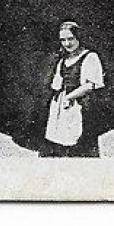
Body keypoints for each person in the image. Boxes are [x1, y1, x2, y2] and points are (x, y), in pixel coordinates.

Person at [41, 21, 106, 157]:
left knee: (80, 143)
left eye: (70, 39)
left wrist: (69, 97)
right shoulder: (63, 60)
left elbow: (91, 85)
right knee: (58, 141)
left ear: (78, 38)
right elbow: (56, 84)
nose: (67, 44)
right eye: (63, 40)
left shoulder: (90, 57)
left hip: (81, 104)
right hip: (62, 106)